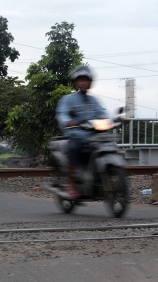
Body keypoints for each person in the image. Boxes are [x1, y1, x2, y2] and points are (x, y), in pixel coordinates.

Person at [56, 65, 109, 198]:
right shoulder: (68, 99)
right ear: (76, 83)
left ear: (90, 82)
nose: (83, 83)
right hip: (76, 136)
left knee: (107, 146)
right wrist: (68, 122)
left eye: (86, 80)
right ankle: (71, 184)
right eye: (80, 80)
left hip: (93, 136)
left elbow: (103, 114)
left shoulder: (94, 100)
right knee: (74, 149)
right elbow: (62, 114)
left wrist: (115, 120)